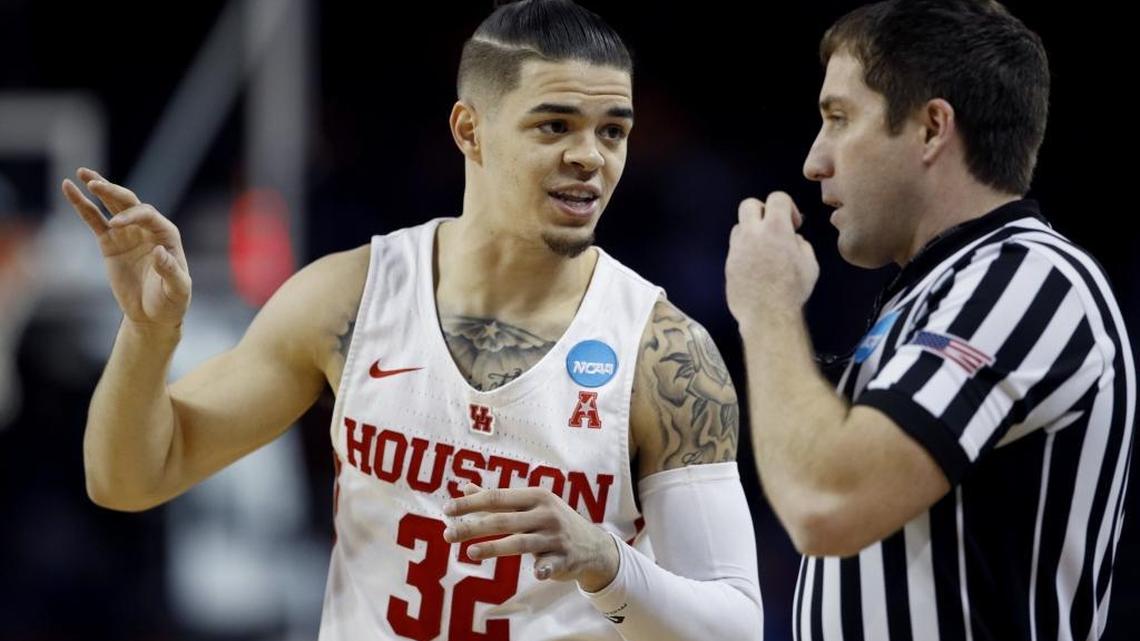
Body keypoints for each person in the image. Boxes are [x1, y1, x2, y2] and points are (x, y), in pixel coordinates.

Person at [62, 1, 764, 639]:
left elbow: (733, 626)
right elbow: (128, 478)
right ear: (470, 130)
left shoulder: (665, 354)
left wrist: (602, 558)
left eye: (614, 130)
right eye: (556, 124)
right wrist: (149, 335)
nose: (591, 156)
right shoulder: (350, 296)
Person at [725, 1, 1134, 639]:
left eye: (839, 119)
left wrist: (767, 303)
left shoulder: (1031, 278)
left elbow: (826, 503)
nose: (814, 160)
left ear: (931, 128)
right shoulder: (930, 292)